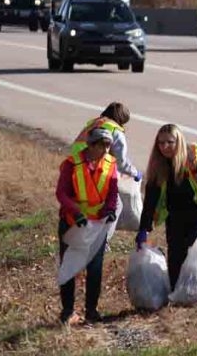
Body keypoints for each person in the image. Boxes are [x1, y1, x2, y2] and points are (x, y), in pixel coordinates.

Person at [135, 124, 197, 290]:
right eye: (161, 143)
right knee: (176, 261)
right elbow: (151, 200)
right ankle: (178, 296)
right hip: (177, 215)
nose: (165, 147)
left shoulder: (193, 157)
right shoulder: (159, 165)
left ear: (178, 141)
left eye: (169, 142)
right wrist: (143, 229)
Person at [56, 128, 119, 324]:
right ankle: (67, 311)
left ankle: (92, 310)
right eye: (102, 145)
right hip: (73, 223)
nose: (106, 150)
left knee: (95, 267)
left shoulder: (110, 164)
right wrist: (76, 212)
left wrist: (109, 209)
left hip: (97, 226)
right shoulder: (72, 164)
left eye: (108, 145)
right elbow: (61, 193)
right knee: (69, 266)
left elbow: (113, 191)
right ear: (91, 145)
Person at [72, 102, 143, 182]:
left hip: (75, 165)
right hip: (96, 172)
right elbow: (121, 163)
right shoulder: (115, 132)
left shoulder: (93, 124)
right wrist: (135, 173)